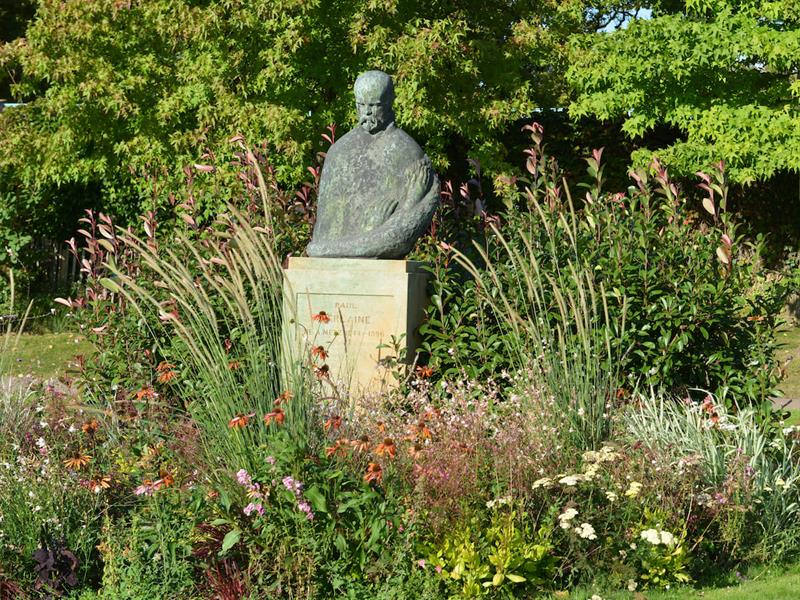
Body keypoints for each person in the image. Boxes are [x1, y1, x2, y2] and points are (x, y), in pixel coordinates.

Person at [306, 70, 439, 259]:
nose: (367, 112)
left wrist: (379, 227)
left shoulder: (408, 152)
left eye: (374, 105)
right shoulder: (339, 151)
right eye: (361, 105)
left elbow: (401, 234)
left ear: (389, 102)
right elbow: (324, 232)